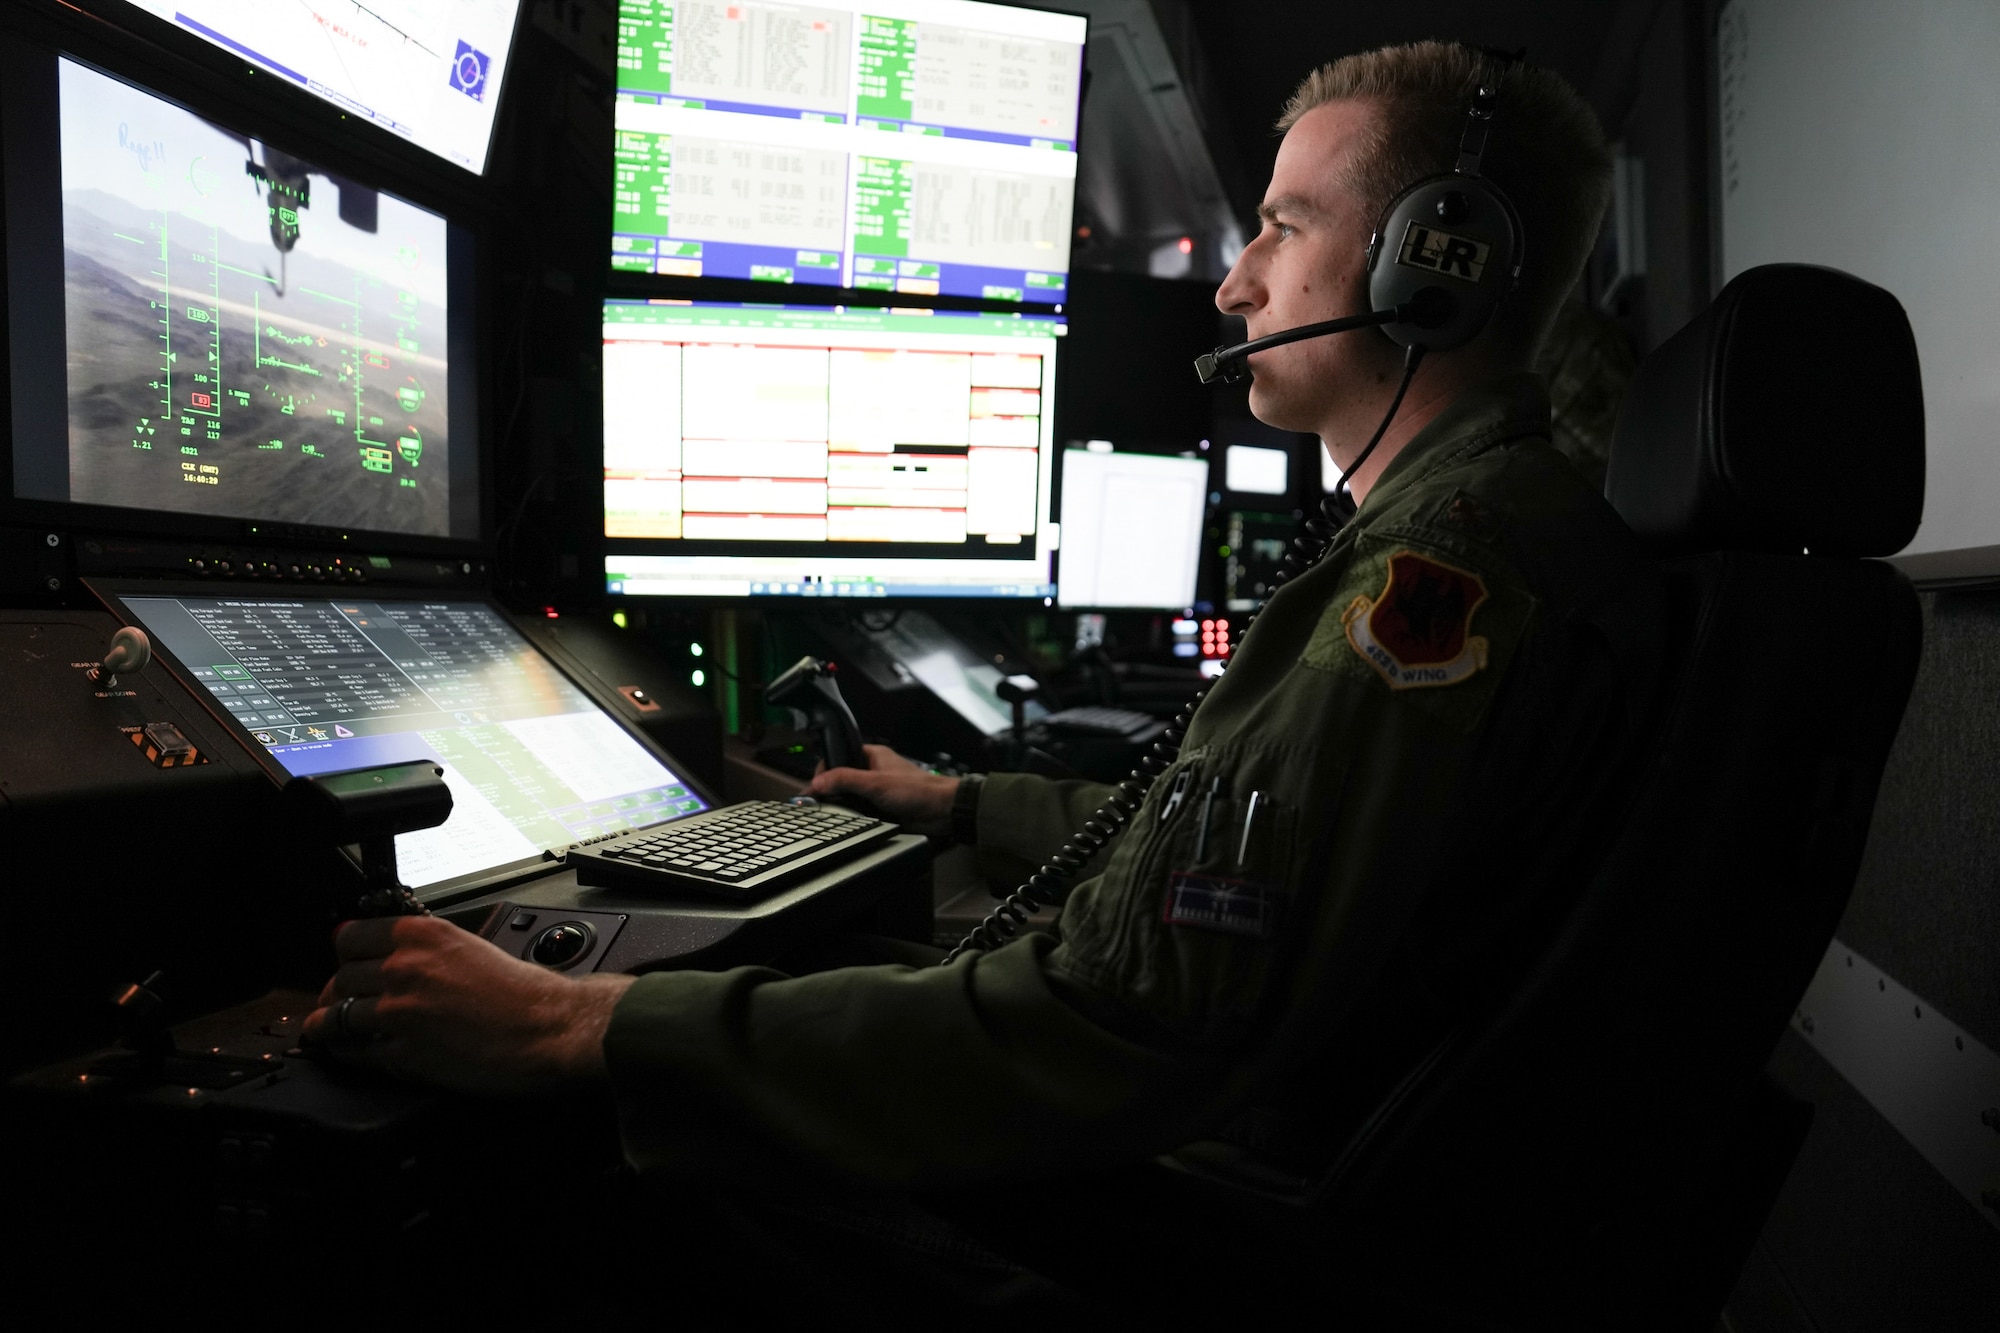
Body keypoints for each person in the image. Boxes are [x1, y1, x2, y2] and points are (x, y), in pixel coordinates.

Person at [303, 40, 1664, 1312]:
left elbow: (1106, 1019)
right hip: (1275, 1167)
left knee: (575, 1171)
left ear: (1439, 265)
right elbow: (1231, 868)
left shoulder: (1435, 580)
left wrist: (579, 1023)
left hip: (1201, 1213)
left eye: (1284, 225)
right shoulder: (1486, 528)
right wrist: (963, 809)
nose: (1234, 283)